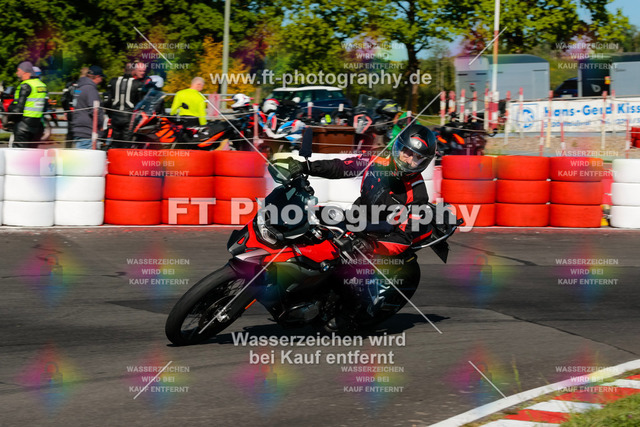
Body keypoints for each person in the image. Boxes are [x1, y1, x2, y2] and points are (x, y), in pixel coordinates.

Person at [281, 125, 442, 320]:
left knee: (348, 280)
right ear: (398, 147)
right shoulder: (378, 159)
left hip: (378, 239)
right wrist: (307, 167)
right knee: (311, 219)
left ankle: (356, 313)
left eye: (417, 158)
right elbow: (343, 166)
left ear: (425, 162)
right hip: (355, 219)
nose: (409, 160)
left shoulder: (417, 194)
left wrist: (370, 245)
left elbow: (404, 238)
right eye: (407, 152)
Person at [104, 61, 148, 148]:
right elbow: (140, 102)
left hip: (115, 116)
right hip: (129, 118)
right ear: (134, 71)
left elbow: (107, 101)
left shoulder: (113, 81)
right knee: (126, 143)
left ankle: (114, 155)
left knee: (115, 142)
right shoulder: (137, 84)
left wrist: (110, 114)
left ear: (124, 70)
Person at [9, 61, 48, 148]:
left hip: (23, 125)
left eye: (18, 71)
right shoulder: (41, 85)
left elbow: (18, 110)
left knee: (19, 153)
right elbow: (45, 107)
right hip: (37, 125)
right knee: (32, 153)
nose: (17, 73)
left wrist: (9, 117)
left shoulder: (25, 85)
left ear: (25, 72)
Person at [70, 65, 105, 149]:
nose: (101, 80)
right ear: (97, 76)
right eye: (101, 77)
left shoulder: (79, 87)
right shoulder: (90, 89)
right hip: (88, 131)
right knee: (88, 156)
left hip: (79, 128)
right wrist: (101, 124)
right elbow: (94, 110)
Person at [60, 67, 88, 145]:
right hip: (83, 113)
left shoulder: (70, 84)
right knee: (83, 134)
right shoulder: (87, 85)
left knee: (70, 133)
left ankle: (67, 150)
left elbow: (63, 99)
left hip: (71, 111)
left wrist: (66, 111)